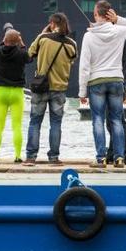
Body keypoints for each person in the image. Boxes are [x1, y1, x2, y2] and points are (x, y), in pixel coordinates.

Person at [79, 0, 126, 168]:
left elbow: (84, 65)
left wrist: (82, 91)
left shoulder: (89, 36)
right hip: (116, 80)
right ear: (109, 15)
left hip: (96, 81)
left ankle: (101, 158)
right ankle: (119, 158)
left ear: (95, 15)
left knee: (97, 120)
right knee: (116, 120)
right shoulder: (119, 31)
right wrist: (118, 19)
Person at [24, 13, 77, 165]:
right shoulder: (71, 44)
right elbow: (72, 60)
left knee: (35, 122)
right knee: (56, 123)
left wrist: (43, 33)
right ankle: (54, 157)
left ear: (52, 23)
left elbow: (29, 55)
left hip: (41, 86)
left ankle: (31, 157)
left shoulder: (43, 38)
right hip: (60, 88)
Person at [0, 27, 32, 163]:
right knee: (17, 126)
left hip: (1, 92)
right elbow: (29, 57)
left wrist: (2, 42)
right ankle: (18, 156)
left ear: (4, 40)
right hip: (17, 92)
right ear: (17, 41)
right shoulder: (21, 54)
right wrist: (22, 43)